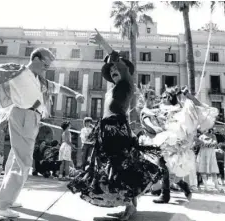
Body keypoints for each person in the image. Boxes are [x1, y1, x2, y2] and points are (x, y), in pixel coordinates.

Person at [0, 48, 84, 218]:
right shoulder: (19, 71)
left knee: (15, 159)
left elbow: (59, 88)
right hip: (24, 115)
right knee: (23, 162)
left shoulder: (41, 81)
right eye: (45, 63)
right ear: (36, 58)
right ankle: (0, 206)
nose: (47, 67)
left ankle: (10, 198)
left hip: (30, 118)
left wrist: (75, 94)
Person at [68, 30, 162, 221]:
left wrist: (103, 44)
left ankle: (130, 206)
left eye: (116, 68)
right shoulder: (111, 90)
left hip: (118, 129)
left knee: (121, 166)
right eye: (110, 70)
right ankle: (130, 206)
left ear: (124, 70)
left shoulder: (127, 83)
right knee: (112, 167)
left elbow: (119, 62)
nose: (113, 70)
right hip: (106, 129)